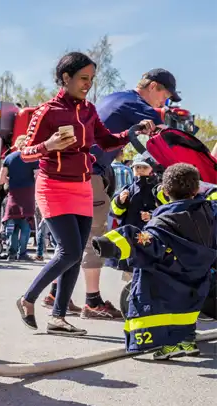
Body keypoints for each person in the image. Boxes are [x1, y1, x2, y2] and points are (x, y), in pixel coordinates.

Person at [15, 52, 156, 335]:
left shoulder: (89, 110)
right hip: (53, 186)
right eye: (83, 78)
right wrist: (49, 145)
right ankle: (27, 298)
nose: (88, 84)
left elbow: (106, 141)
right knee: (68, 251)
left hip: (81, 186)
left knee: (76, 253)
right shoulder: (47, 111)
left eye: (91, 79)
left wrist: (133, 131)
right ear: (65, 78)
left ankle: (58, 317)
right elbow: (24, 153)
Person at [80, 69, 176, 320]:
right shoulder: (138, 106)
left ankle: (57, 292)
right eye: (165, 95)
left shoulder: (115, 97)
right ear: (153, 86)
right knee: (94, 235)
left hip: (78, 169)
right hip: (90, 174)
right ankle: (92, 302)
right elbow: (168, 138)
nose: (164, 102)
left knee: (75, 237)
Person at [92, 163, 213, 360]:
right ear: (196, 188)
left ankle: (172, 346)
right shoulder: (208, 212)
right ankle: (187, 341)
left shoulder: (162, 221)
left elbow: (144, 243)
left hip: (169, 283)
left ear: (165, 191)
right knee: (187, 313)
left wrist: (109, 243)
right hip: (200, 279)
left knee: (165, 311)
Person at [0, 136, 39, 260]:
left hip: (13, 195)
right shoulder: (32, 158)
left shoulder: (9, 158)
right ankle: (22, 254)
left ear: (16, 144)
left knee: (14, 225)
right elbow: (38, 176)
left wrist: (10, 180)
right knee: (25, 227)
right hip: (28, 195)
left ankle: (11, 253)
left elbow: (1, 180)